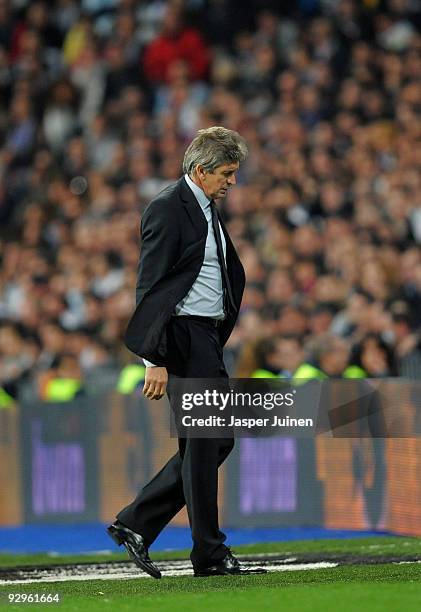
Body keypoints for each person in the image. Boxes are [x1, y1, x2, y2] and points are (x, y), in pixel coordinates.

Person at [107, 127, 248, 578]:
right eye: (226, 174)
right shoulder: (168, 208)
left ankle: (136, 523)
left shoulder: (205, 206)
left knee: (211, 442)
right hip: (183, 340)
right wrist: (155, 359)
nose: (231, 182)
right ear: (200, 170)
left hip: (204, 340)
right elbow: (149, 286)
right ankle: (208, 553)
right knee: (208, 443)